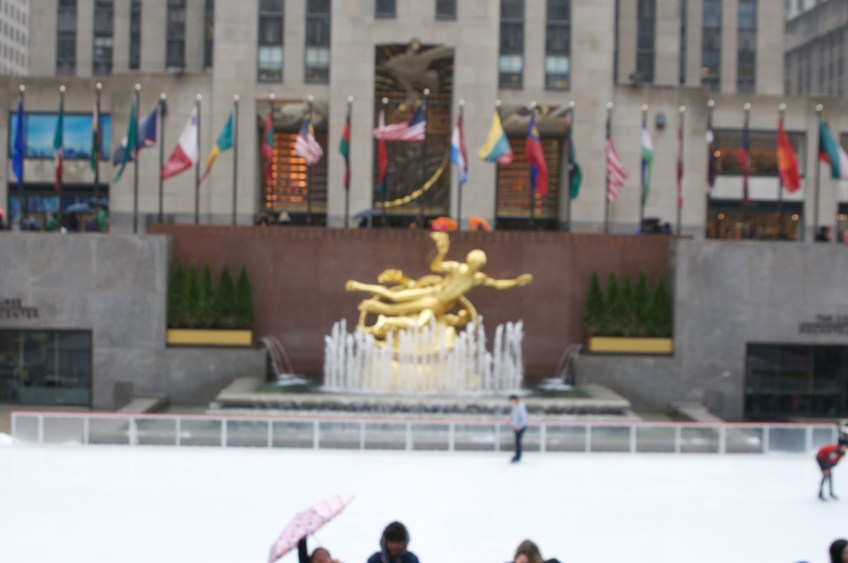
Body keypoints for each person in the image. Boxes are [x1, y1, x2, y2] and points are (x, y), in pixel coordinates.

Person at [346, 232, 532, 339]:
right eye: (475, 263)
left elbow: (497, 285)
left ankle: (386, 322)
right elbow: (435, 266)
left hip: (437, 305)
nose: (476, 266)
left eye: (479, 265)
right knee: (394, 297)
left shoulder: (477, 278)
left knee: (417, 324)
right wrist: (442, 252)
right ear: (470, 261)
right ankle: (360, 287)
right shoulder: (456, 268)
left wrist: (516, 282)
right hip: (432, 292)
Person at [508, 394, 528, 463]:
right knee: (517, 442)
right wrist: (509, 420)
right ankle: (517, 455)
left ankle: (518, 457)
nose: (511, 402)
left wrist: (519, 426)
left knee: (518, 442)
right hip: (516, 427)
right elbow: (512, 415)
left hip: (520, 427)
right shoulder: (515, 406)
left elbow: (524, 418)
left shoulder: (520, 407)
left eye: (512, 400)